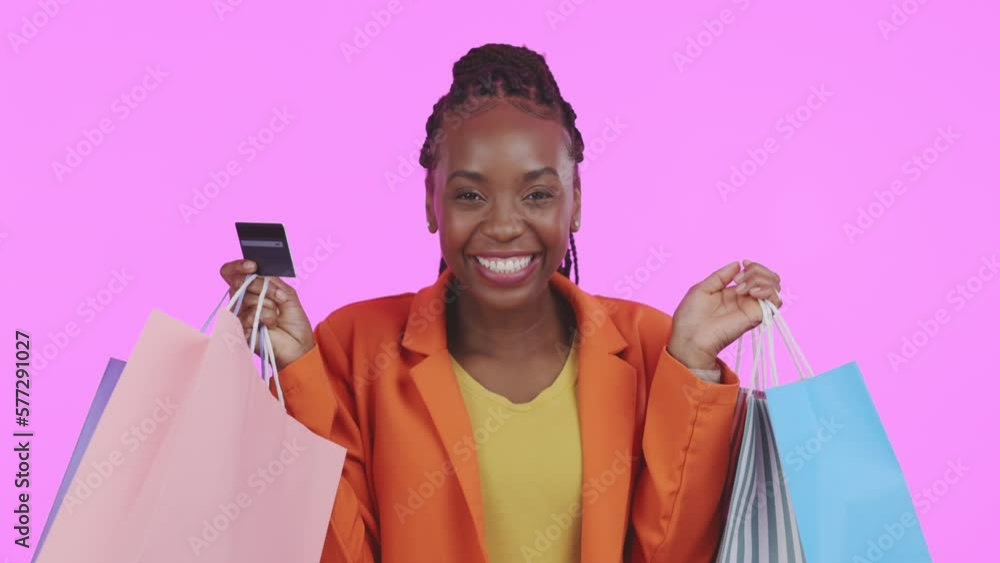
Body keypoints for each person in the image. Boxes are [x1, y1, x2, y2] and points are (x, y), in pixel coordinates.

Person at [219, 43, 783, 563]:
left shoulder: (652, 347)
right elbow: (334, 552)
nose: (506, 225)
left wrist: (695, 368)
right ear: (432, 203)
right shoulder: (354, 343)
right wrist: (295, 368)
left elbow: (677, 552)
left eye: (537, 194)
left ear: (576, 201)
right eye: (470, 195)